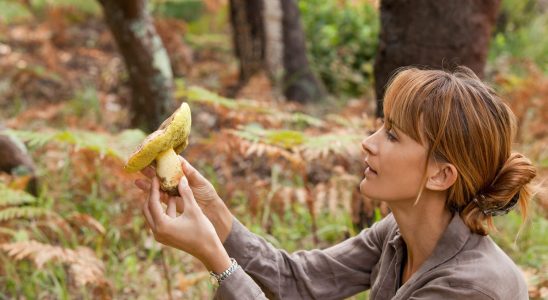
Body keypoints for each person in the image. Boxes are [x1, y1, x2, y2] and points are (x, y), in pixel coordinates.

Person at [135, 67, 537, 300]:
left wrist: (217, 261)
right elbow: (297, 280)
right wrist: (213, 212)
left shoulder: (470, 289)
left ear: (441, 174)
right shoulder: (399, 234)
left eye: (393, 135)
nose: (369, 143)